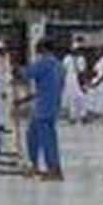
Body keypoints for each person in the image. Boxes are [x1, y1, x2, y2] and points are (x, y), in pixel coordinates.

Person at [20, 38, 66, 181]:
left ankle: (54, 170)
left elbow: (26, 74)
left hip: (44, 108)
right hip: (52, 105)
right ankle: (35, 165)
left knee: (47, 139)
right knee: (32, 135)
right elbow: (47, 87)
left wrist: (16, 68)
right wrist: (23, 100)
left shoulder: (44, 63)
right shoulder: (60, 65)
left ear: (42, 49)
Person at [62, 40, 88, 124]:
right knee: (72, 98)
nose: (76, 51)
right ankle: (72, 117)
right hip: (70, 79)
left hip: (78, 78)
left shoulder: (81, 58)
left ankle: (83, 116)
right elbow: (64, 70)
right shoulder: (67, 58)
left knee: (81, 98)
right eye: (74, 49)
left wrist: (84, 82)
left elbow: (83, 71)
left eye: (77, 49)